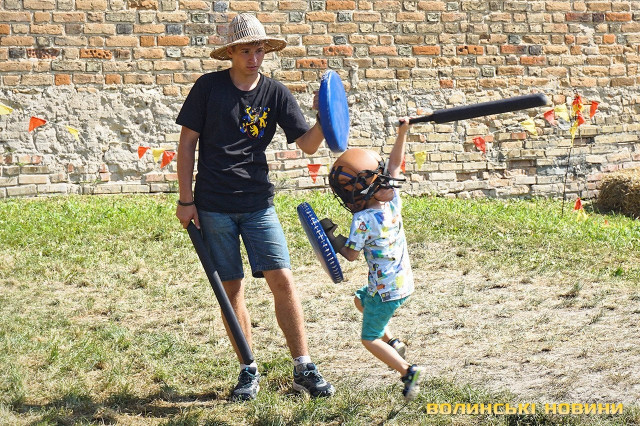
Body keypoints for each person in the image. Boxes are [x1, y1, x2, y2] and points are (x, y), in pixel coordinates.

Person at [174, 13, 334, 401]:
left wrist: (325, 115)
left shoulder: (275, 93)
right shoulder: (208, 88)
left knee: (283, 281)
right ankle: (248, 370)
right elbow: (187, 144)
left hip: (259, 204)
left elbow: (308, 145)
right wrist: (185, 200)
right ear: (231, 52)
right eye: (246, 50)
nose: (253, 58)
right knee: (231, 288)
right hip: (213, 205)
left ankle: (303, 367)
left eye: (259, 50)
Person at [322, 118, 424, 401]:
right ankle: (394, 342)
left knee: (368, 338)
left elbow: (351, 255)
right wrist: (403, 133)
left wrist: (331, 237)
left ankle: (407, 371)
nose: (389, 178)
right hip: (403, 282)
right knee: (359, 301)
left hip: (385, 291)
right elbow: (395, 164)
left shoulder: (363, 219)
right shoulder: (392, 202)